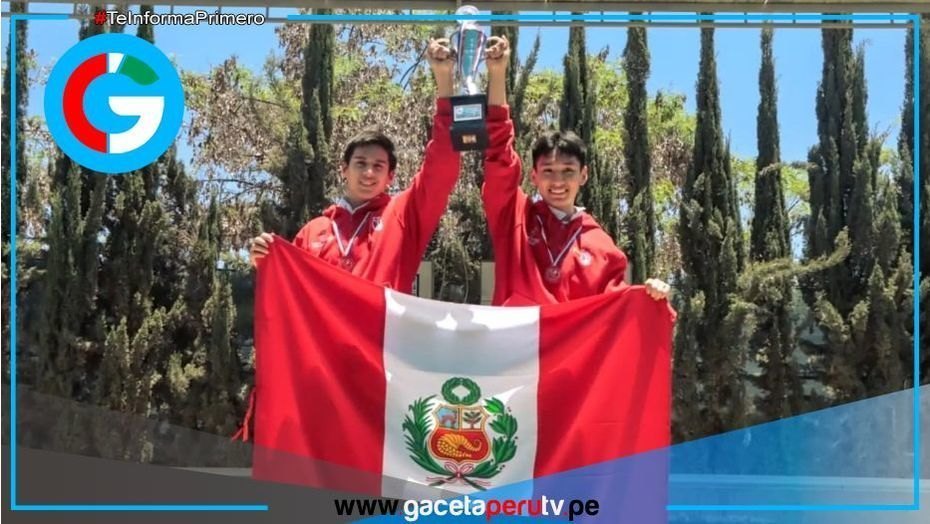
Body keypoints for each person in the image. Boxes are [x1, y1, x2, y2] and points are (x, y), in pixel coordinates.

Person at [248, 39, 461, 294]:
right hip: (324, 334)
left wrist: (444, 79)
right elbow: (289, 294)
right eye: (360, 163)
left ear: (390, 177)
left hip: (382, 332)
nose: (369, 172)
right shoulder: (313, 231)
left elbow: (442, 167)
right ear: (343, 169)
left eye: (378, 166)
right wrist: (265, 262)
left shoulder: (402, 216)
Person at [481, 35, 671, 306]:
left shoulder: (602, 246)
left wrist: (651, 294)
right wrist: (498, 74)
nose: (558, 181)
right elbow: (498, 154)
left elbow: (616, 310)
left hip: (569, 350)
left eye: (568, 171)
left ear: (584, 175)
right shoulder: (514, 217)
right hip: (514, 346)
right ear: (533, 176)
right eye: (548, 171)